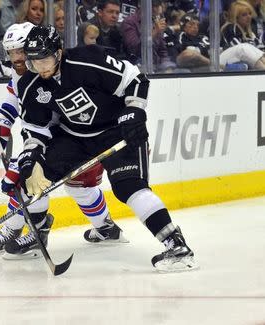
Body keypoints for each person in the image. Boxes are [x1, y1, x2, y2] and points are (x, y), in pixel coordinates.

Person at [15, 24, 198, 272]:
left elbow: (135, 80)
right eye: (35, 62)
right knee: (29, 176)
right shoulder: (30, 84)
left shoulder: (89, 60)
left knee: (129, 186)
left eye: (46, 60)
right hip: (73, 137)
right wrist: (31, 158)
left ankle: (176, 245)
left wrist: (133, 111)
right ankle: (38, 230)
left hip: (116, 131)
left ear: (58, 52)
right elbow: (35, 127)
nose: (41, 68)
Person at [0, 22, 128, 259]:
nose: (16, 58)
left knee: (76, 186)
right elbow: (14, 97)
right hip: (47, 136)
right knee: (29, 177)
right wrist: (0, 121)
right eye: (11, 52)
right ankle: (18, 227)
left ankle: (101, 227)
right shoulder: (25, 72)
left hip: (69, 137)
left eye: (21, 51)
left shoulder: (44, 70)